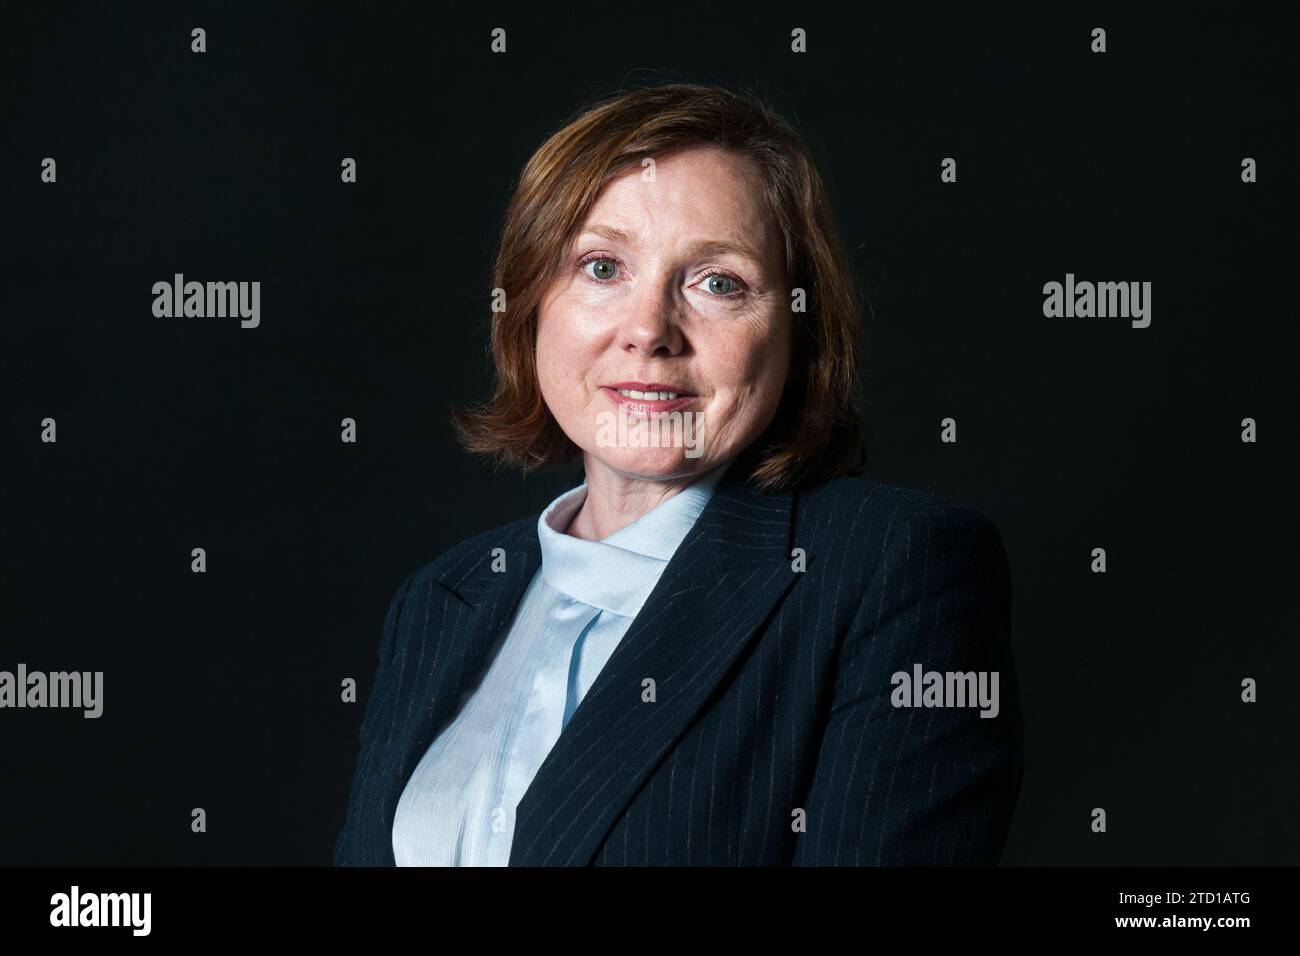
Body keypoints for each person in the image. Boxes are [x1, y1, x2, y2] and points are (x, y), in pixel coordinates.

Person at [334, 82, 1022, 866]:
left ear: (799, 332)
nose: (649, 330)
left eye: (718, 283)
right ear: (529, 308)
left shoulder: (894, 569)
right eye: (601, 266)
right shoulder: (441, 599)